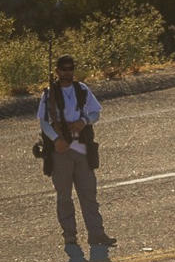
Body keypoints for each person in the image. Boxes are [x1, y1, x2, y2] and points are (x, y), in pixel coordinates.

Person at [37, 54, 116, 247]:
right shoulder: (49, 94)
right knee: (64, 197)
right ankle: (70, 236)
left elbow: (96, 112)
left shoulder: (82, 90)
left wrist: (84, 121)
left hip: (82, 149)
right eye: (63, 69)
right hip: (61, 151)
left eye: (70, 68)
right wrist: (56, 140)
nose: (67, 72)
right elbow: (44, 122)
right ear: (57, 71)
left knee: (89, 194)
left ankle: (97, 234)